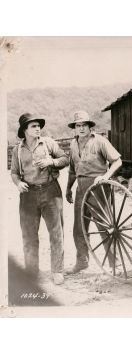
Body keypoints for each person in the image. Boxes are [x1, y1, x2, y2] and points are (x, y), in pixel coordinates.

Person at [11, 113, 69, 285]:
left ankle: (57, 271)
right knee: (29, 235)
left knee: (56, 233)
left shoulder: (49, 143)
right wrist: (18, 183)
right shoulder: (17, 150)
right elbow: (14, 172)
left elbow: (65, 159)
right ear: (25, 130)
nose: (38, 129)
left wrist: (51, 162)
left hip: (51, 191)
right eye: (33, 126)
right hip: (28, 194)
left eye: (38, 126)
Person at [66, 110, 122, 274]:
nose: (81, 128)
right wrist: (69, 188)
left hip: (98, 187)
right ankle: (82, 262)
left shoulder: (100, 141)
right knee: (79, 227)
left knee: (104, 226)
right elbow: (71, 169)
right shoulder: (73, 144)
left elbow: (117, 161)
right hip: (80, 187)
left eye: (84, 125)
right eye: (78, 125)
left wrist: (105, 176)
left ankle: (114, 263)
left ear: (90, 127)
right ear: (75, 128)